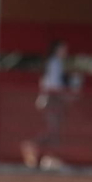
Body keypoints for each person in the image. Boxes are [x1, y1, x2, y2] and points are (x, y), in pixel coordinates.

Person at [23, 40, 71, 169]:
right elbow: (54, 85)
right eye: (63, 49)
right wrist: (66, 95)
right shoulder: (54, 63)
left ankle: (48, 156)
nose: (65, 52)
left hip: (52, 99)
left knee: (53, 129)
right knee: (53, 129)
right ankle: (33, 147)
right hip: (52, 99)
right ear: (57, 50)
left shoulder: (55, 63)